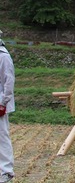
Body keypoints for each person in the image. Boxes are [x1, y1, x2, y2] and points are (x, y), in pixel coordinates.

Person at [0, 38, 15, 183]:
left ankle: (7, 171)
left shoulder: (3, 56)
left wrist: (3, 103)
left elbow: (8, 81)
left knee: (1, 137)